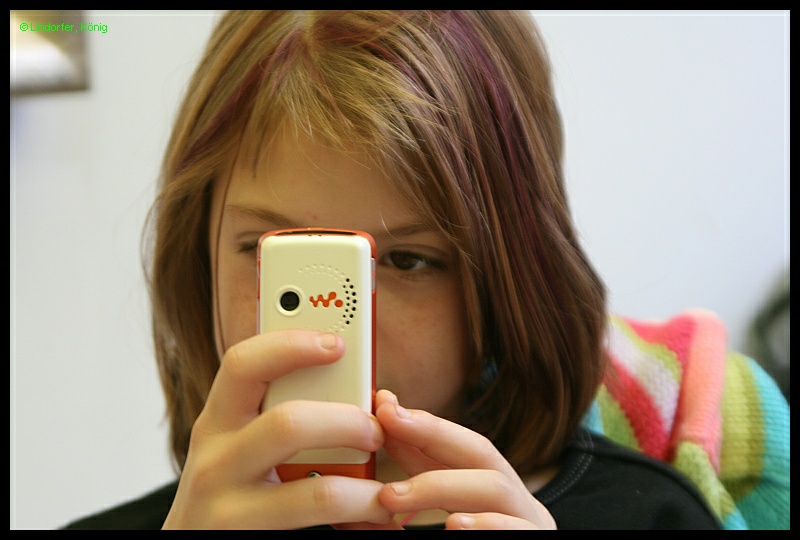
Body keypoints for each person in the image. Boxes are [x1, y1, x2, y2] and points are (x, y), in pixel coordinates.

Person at [65, 10, 721, 529]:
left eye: (408, 260)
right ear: (199, 255)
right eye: (275, 254)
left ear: (508, 279)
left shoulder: (651, 516)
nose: (333, 333)